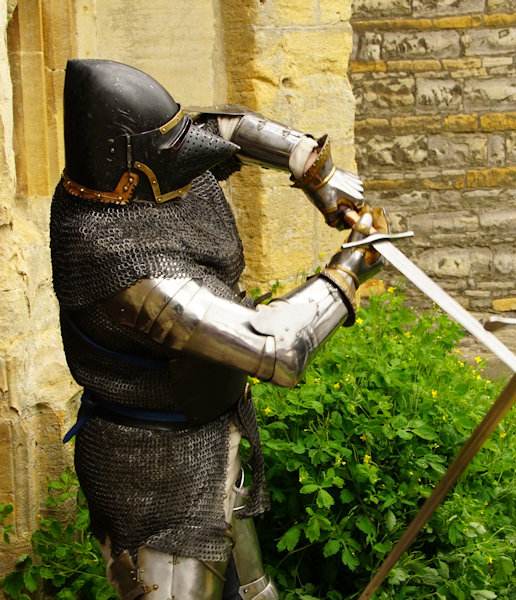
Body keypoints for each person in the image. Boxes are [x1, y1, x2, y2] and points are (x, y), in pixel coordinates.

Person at [50, 59, 387, 600]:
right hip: (152, 473)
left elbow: (220, 132)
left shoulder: (128, 183)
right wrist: (351, 271)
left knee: (255, 595)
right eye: (165, 149)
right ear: (134, 167)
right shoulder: (114, 260)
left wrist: (317, 174)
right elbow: (277, 350)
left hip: (208, 444)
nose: (182, 151)